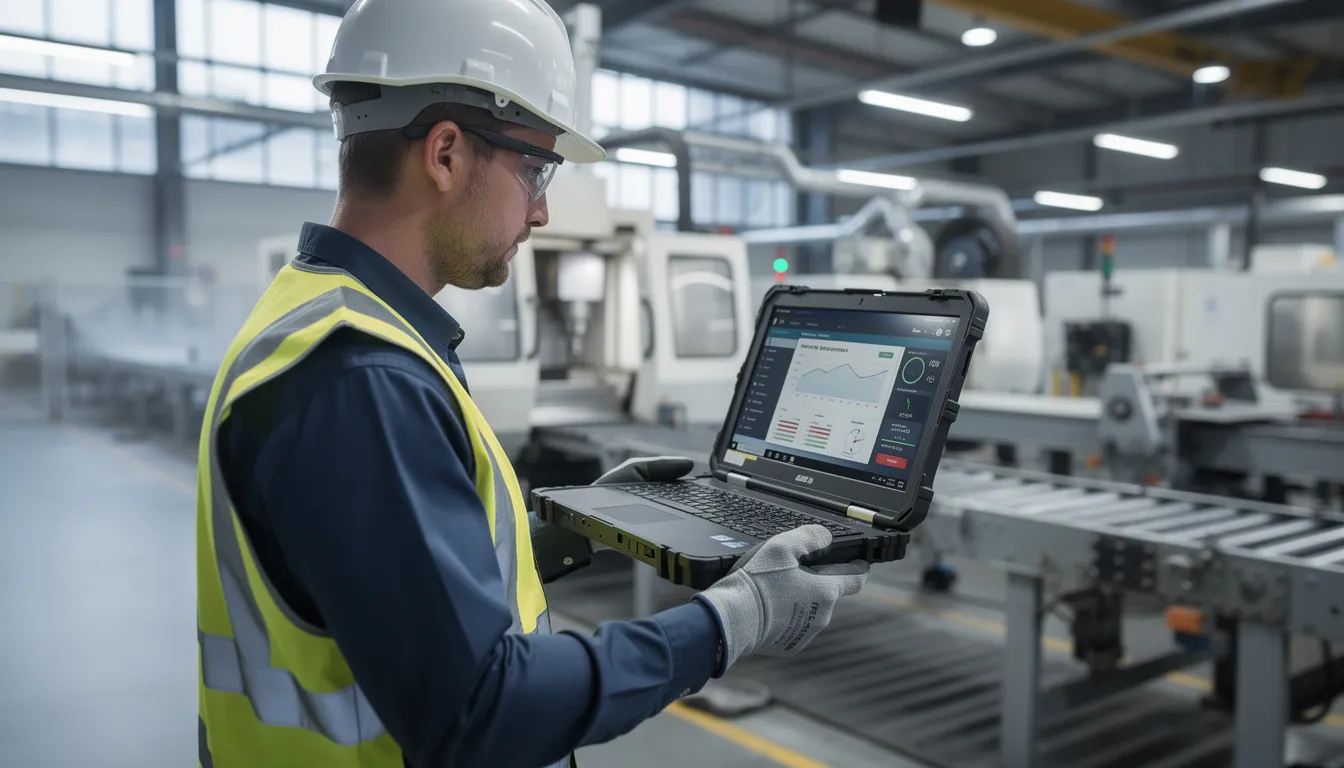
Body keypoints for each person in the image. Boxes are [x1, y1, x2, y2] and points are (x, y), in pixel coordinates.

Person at [194, 1, 870, 766]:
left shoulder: (322, 318)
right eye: (533, 168)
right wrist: (734, 619)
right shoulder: (361, 377)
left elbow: (383, 591)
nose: (543, 209)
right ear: (445, 153)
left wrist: (570, 528)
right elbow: (483, 711)